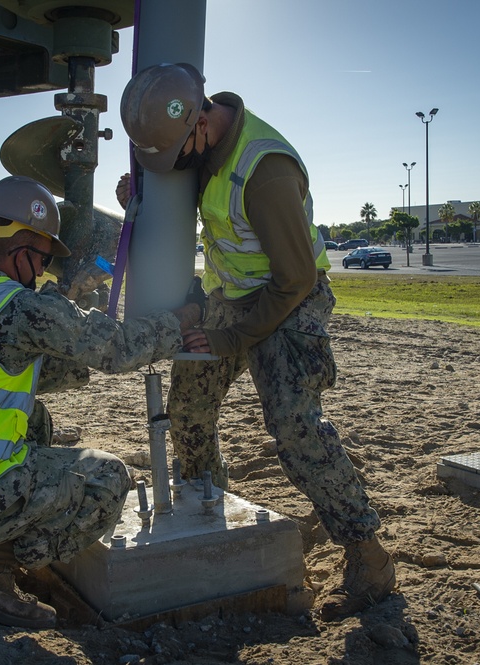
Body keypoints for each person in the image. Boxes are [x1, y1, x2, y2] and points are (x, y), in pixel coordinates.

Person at [119, 63, 396, 620]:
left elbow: (293, 279)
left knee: (293, 425)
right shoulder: (200, 145)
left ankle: (368, 555)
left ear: (200, 123)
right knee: (188, 409)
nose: (177, 167)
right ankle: (208, 508)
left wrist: (232, 338)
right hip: (233, 295)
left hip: (290, 299)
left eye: (175, 155)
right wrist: (142, 196)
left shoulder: (264, 169)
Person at [0, 176, 201, 629]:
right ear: (22, 247)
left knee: (33, 418)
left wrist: (71, 316)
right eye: (44, 259)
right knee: (107, 476)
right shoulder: (18, 306)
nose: (45, 272)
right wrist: (180, 321)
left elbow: (7, 373)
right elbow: (120, 349)